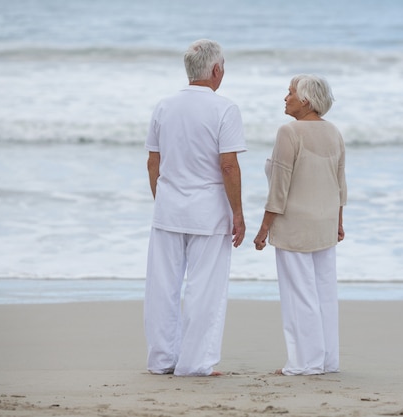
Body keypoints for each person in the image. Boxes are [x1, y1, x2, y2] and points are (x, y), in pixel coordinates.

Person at [144, 39, 246, 377]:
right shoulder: (224, 109)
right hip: (208, 212)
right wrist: (238, 213)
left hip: (169, 209)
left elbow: (152, 163)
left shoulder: (164, 106)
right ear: (215, 70)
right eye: (224, 67)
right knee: (205, 288)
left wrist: (166, 202)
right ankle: (195, 363)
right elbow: (228, 166)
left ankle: (162, 360)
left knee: (163, 286)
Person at [254, 74, 347, 375]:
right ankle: (326, 360)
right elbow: (340, 184)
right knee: (323, 294)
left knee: (299, 295)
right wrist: (339, 222)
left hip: (294, 224)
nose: (286, 97)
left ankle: (304, 363)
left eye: (291, 92)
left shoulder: (289, 132)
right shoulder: (334, 132)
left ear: (306, 100)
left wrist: (264, 227)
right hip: (325, 222)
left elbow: (279, 186)